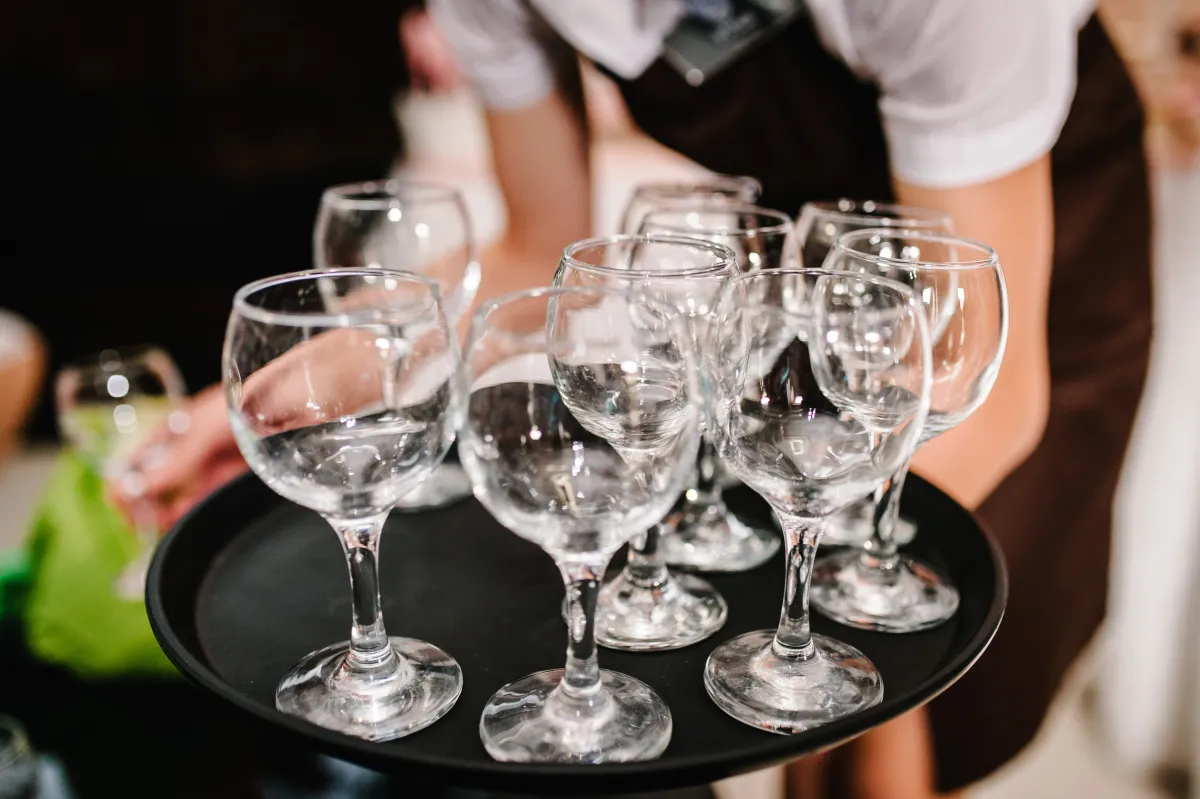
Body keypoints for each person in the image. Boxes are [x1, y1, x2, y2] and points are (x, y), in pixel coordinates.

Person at [135, 1, 1154, 797]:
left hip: (1026, 268)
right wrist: (338, 374)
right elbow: (540, 239)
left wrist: (777, 583)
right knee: (818, 700)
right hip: (793, 263)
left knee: (895, 686)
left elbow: (987, 388)